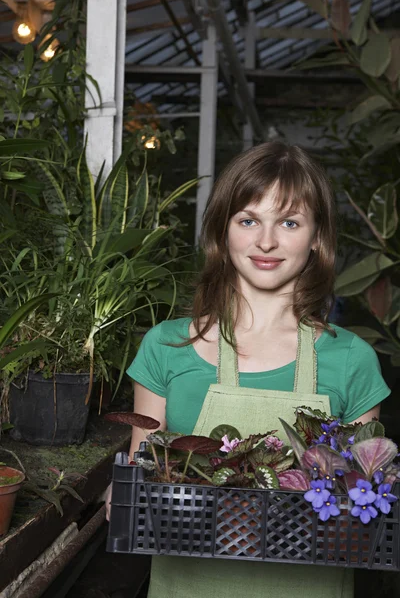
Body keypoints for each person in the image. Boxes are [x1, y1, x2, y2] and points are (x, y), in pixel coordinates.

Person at [106, 141, 390, 598]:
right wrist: (120, 496)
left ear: (317, 236)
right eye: (249, 220)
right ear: (223, 230)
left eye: (290, 222)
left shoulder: (352, 359)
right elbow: (142, 481)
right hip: (188, 586)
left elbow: (363, 503)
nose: (266, 241)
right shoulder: (167, 347)